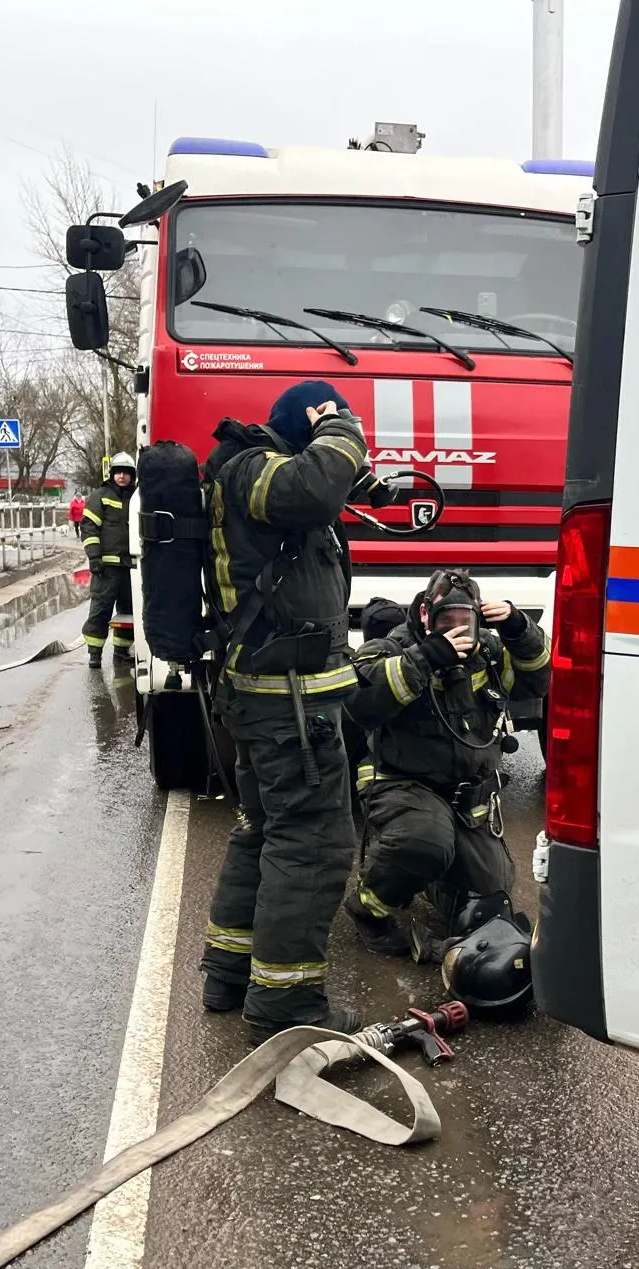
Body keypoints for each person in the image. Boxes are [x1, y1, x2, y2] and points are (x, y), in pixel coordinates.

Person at [199, 380, 378, 1043]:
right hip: (286, 704)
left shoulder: (262, 476)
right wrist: (344, 425)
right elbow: (314, 486)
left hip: (278, 697)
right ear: (308, 422)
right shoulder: (252, 467)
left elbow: (318, 494)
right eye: (326, 421)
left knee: (264, 831)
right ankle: (284, 1005)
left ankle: (230, 971)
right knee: (312, 845)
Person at [343, 569, 551, 955]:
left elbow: (539, 679)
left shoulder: (487, 651)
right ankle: (367, 908)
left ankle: (429, 875)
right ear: (425, 615)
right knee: (424, 840)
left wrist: (520, 628)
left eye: (464, 622)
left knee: (492, 898)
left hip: (466, 797)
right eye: (445, 622)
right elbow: (358, 704)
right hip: (402, 784)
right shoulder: (393, 648)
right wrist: (424, 659)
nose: (456, 631)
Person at [80, 453, 138, 668]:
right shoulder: (100, 496)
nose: (122, 477)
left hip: (131, 565)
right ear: (112, 474)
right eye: (118, 473)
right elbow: (88, 528)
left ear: (133, 475)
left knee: (129, 611)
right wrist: (94, 557)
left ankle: (121, 652)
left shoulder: (137, 497)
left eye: (126, 473)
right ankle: (94, 653)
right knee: (100, 609)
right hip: (106, 567)